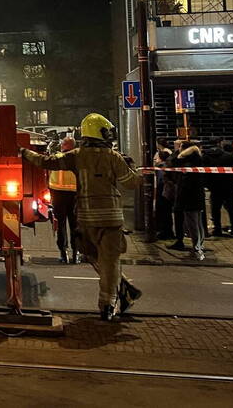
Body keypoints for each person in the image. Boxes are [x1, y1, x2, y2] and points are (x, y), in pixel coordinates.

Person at [21, 113, 142, 321]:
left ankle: (124, 290)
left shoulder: (76, 155)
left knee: (94, 257)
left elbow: (46, 161)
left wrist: (24, 152)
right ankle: (108, 304)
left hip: (86, 218)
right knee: (110, 261)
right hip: (111, 219)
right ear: (100, 133)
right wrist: (133, 169)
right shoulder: (114, 157)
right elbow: (131, 182)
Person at [169, 139, 206, 259]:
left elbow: (173, 162)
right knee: (198, 222)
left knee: (192, 223)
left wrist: (179, 154)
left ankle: (197, 248)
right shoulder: (196, 159)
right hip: (197, 195)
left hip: (189, 197)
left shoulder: (187, 162)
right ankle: (199, 245)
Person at [48, 136, 80, 264]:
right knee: (75, 226)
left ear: (63, 146)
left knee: (60, 225)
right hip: (75, 195)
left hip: (58, 195)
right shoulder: (78, 159)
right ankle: (76, 253)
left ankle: (63, 253)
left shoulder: (58, 158)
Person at [204, 140, 233, 236]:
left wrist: (208, 184)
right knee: (231, 208)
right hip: (229, 185)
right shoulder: (229, 156)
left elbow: (205, 172)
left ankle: (217, 229)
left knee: (215, 208)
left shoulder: (207, 156)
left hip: (215, 186)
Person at [153, 138, 174, 239]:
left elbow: (162, 182)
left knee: (165, 211)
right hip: (165, 191)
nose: (155, 160)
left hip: (164, 192)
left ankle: (166, 232)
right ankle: (165, 231)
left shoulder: (163, 167)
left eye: (156, 159)